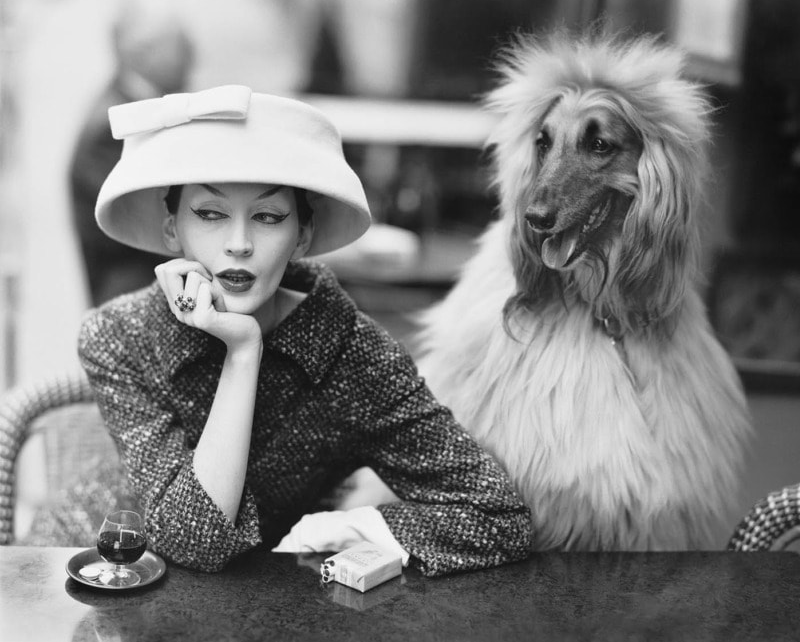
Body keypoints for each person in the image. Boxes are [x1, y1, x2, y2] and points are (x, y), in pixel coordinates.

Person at [78, 85, 531, 576]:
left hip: (257, 600)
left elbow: (496, 516)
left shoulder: (353, 355)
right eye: (210, 214)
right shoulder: (116, 336)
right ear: (172, 230)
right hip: (88, 562)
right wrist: (242, 353)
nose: (239, 244)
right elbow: (194, 541)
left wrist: (354, 527)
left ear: (302, 235)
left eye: (268, 217)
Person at [70, 0, 194, 305]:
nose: (192, 54)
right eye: (180, 44)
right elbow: (148, 221)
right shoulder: (112, 130)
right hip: (135, 299)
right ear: (142, 52)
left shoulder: (138, 109)